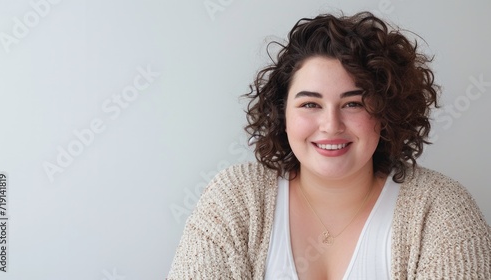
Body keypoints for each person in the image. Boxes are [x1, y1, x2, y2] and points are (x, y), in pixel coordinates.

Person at [168, 11, 491, 279]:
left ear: (386, 112)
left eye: (354, 104)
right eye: (310, 104)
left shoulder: (442, 209)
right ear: (282, 114)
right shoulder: (235, 197)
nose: (331, 125)